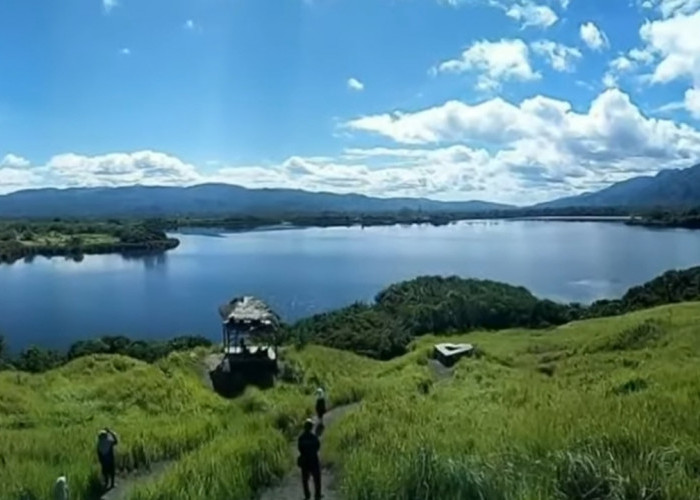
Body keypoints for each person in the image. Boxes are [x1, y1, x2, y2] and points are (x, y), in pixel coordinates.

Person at [297, 419, 322, 500]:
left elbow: (300, 448)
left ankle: (307, 495)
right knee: (317, 478)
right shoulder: (314, 437)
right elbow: (317, 447)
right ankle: (317, 494)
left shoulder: (301, 438)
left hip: (305, 459)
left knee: (305, 479)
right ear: (311, 427)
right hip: (313, 459)